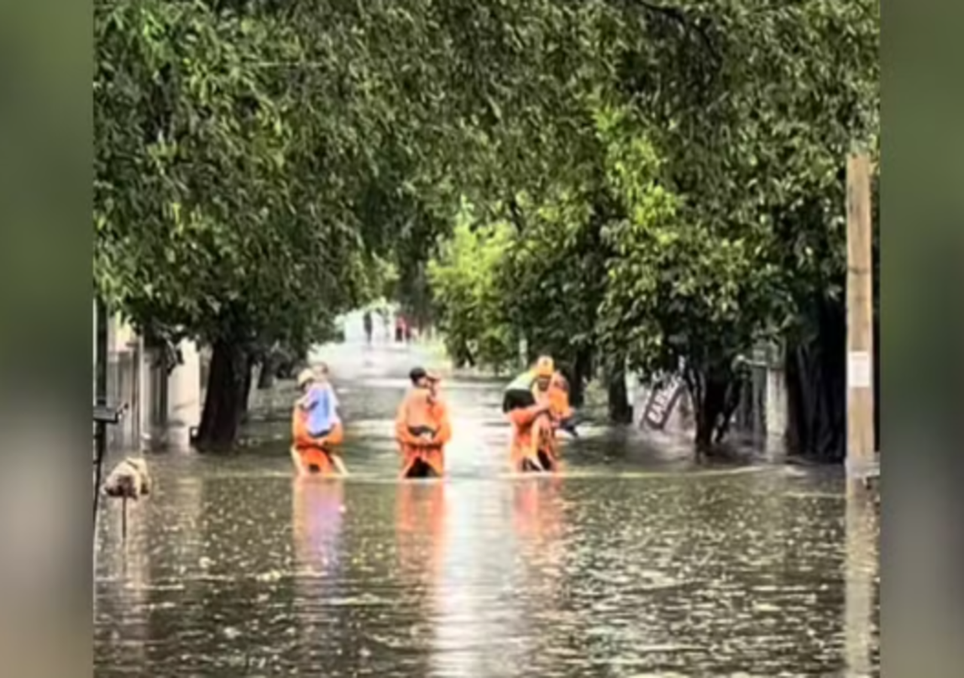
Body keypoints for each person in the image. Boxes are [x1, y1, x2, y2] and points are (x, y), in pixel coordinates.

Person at [503, 356, 572, 472]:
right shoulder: (528, 391)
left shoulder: (557, 390)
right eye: (542, 377)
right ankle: (531, 455)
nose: (544, 381)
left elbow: (563, 416)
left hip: (542, 444)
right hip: (525, 444)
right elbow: (516, 419)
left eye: (547, 378)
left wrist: (558, 422)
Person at [395, 367, 452, 478]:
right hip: (428, 453)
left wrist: (417, 441)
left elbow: (400, 430)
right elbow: (446, 430)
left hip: (416, 452)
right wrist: (430, 441)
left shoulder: (407, 401)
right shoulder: (438, 402)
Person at [291, 367, 347, 476]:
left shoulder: (308, 400)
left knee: (294, 450)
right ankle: (344, 473)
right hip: (327, 435)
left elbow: (299, 428)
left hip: (312, 437)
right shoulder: (326, 392)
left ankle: (302, 473)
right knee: (332, 453)